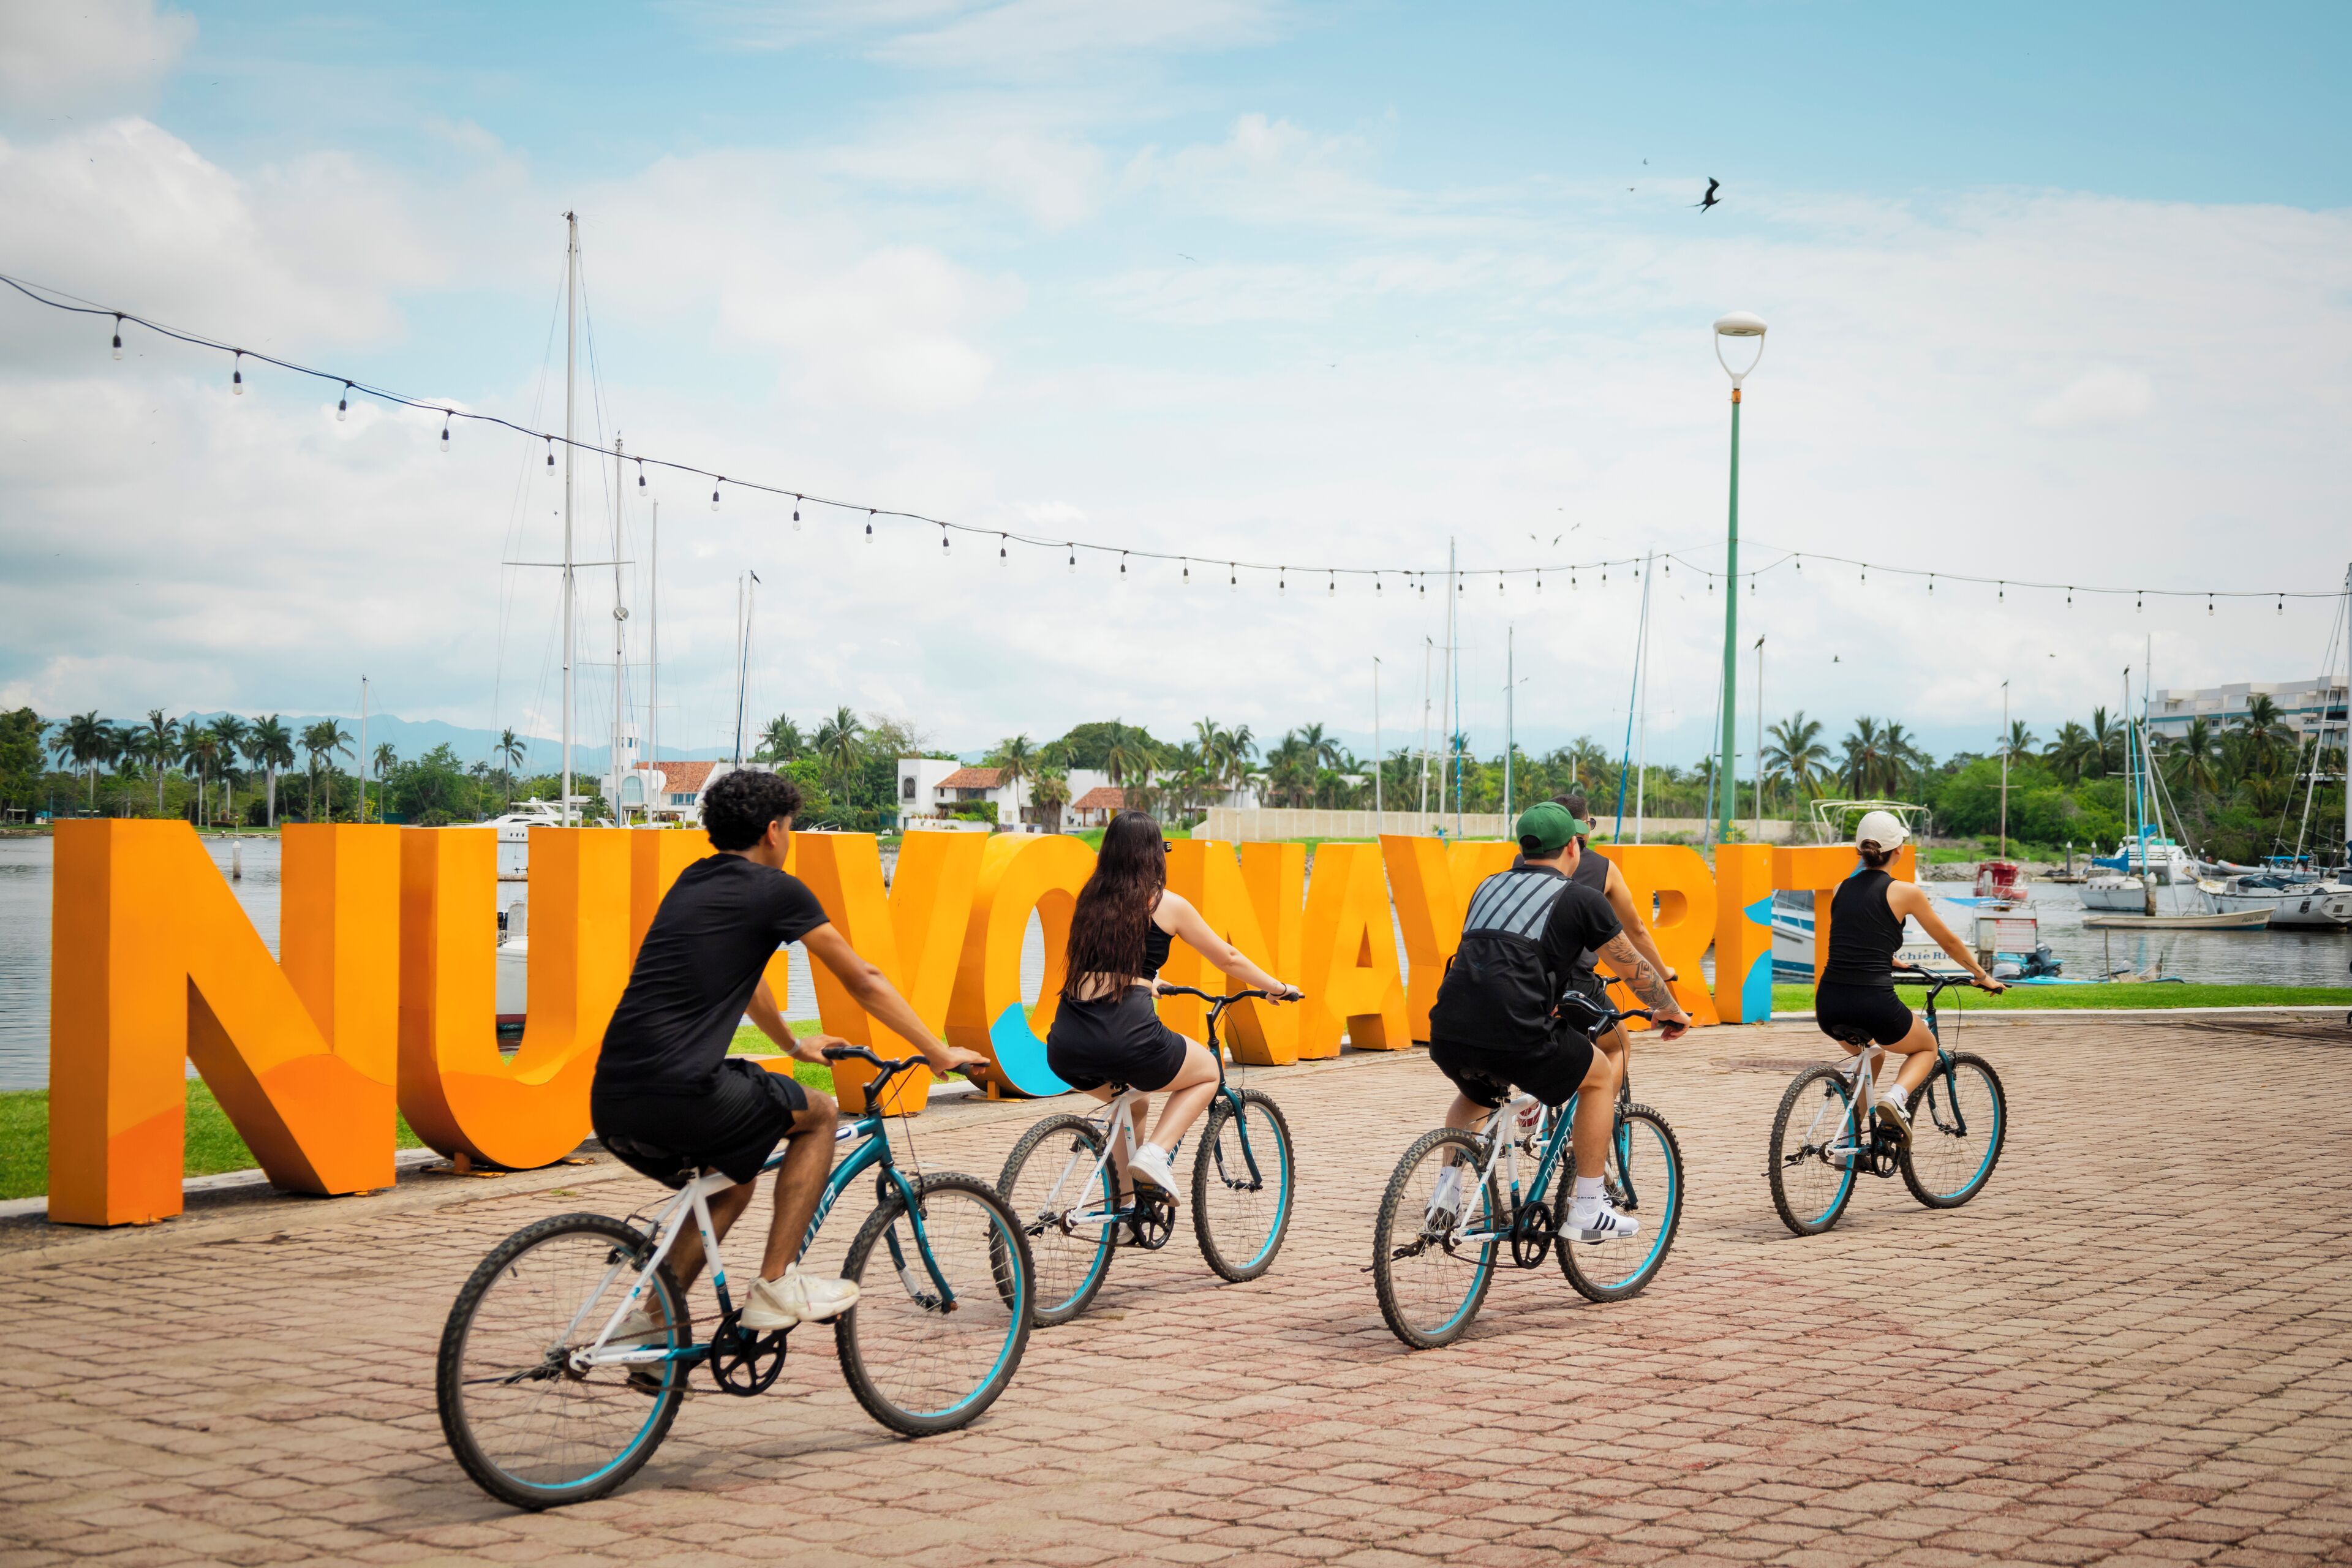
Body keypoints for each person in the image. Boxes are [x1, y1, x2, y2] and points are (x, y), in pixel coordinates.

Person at [592, 768, 992, 1335]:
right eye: (792, 827)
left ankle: (650, 1326)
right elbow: (864, 980)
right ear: (774, 831)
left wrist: (791, 1044)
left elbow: (750, 979)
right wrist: (936, 1050)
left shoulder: (691, 881)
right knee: (821, 1113)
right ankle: (777, 1284)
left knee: (732, 1184)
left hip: (612, 1098)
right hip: (684, 1091)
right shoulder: (776, 889)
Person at [1427, 802, 1691, 1242]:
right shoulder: (1580, 898)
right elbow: (1632, 968)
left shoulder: (1488, 885)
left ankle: (1445, 1196)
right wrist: (1669, 1008)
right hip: (1518, 1032)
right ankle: (1588, 1207)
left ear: (1523, 848)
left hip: (1448, 1030)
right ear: (1573, 845)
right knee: (1599, 1076)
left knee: (1474, 1094)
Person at [1048, 810, 1301, 1205]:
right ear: (1153, 854)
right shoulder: (1165, 903)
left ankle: (1126, 1213)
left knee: (1135, 1103)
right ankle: (1156, 1153)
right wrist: (1277, 988)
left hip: (1067, 1043)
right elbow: (1228, 957)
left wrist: (1149, 982)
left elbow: (1107, 963)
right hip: (1126, 1037)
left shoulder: (1090, 901)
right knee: (1208, 1073)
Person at [1814, 810, 2004, 1141]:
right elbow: (1948, 942)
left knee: (1872, 1055)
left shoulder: (1840, 888)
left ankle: (1846, 1141)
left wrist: (1887, 957)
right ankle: (1896, 1099)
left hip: (1829, 1003)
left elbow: (1852, 937)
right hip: (1872, 1003)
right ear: (1899, 850)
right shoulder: (1906, 892)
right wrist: (1981, 975)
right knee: (1926, 1048)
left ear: (1859, 850)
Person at [1541, 788, 1681, 1079]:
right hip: (1573, 979)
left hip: (1524, 973)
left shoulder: (1523, 863)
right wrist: (1663, 972)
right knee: (1617, 1046)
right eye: (1589, 824)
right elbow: (1636, 929)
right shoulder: (1603, 868)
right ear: (1580, 831)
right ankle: (1598, 1106)